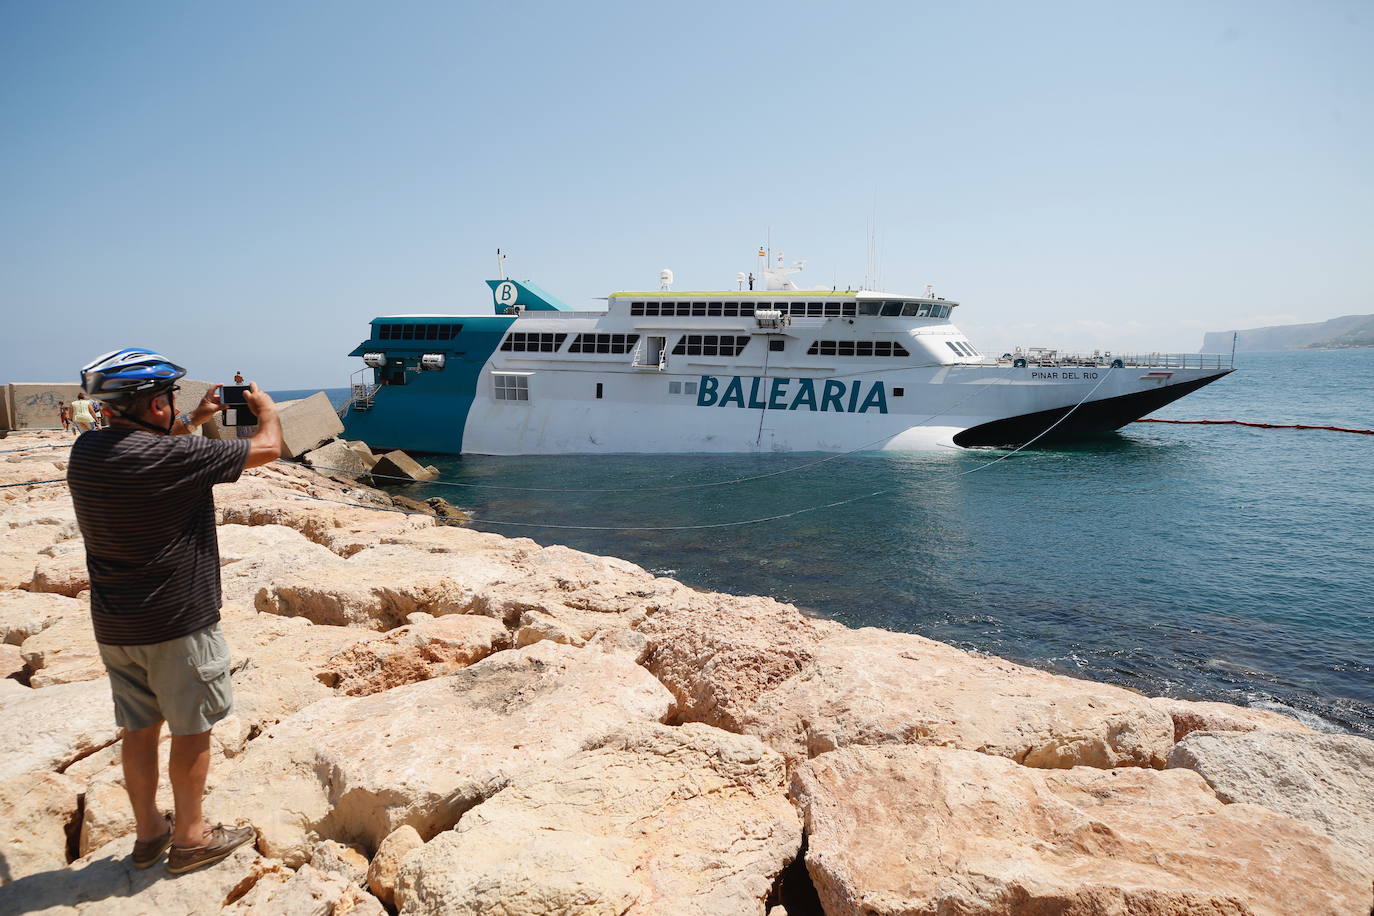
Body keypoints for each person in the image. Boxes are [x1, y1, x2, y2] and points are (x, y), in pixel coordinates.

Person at [66, 348, 282, 874]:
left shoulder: (87, 450)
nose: (172, 404)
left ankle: (148, 834)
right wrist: (268, 410)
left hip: (117, 624)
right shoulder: (175, 459)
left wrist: (194, 420)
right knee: (191, 730)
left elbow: (147, 443)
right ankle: (190, 838)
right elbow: (269, 448)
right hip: (177, 622)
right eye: (168, 398)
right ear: (152, 405)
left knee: (138, 731)